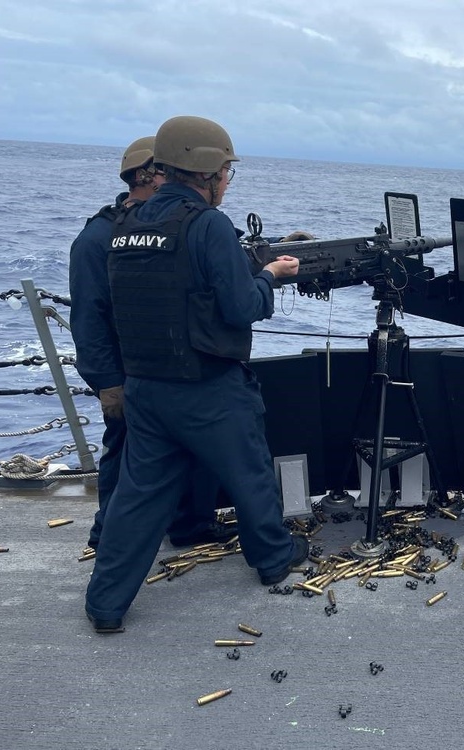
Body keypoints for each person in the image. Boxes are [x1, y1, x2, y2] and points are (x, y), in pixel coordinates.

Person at [84, 116, 308, 633]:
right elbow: (240, 306)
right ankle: (275, 558)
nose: (228, 181)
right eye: (227, 170)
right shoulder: (205, 224)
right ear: (207, 171)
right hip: (207, 387)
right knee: (250, 472)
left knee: (138, 498)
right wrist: (270, 277)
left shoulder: (124, 227)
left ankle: (105, 604)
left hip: (145, 386)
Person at [69, 136, 234, 550]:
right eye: (167, 170)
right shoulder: (97, 240)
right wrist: (106, 381)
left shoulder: (160, 227)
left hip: (167, 368)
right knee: (122, 453)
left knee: (186, 452)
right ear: (148, 175)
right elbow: (88, 318)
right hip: (127, 371)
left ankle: (188, 526)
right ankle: (107, 536)